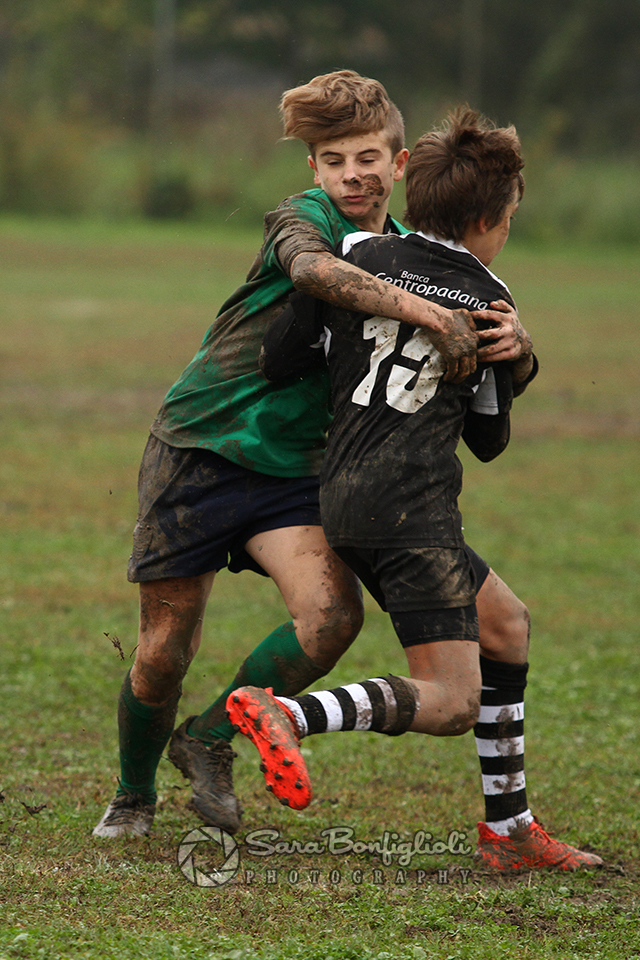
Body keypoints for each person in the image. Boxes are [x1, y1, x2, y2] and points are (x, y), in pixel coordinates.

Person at [92, 71, 488, 840]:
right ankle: (132, 795)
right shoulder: (300, 218)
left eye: (367, 158)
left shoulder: (403, 250)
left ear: (398, 165)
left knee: (333, 616)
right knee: (165, 650)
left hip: (296, 468)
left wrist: (516, 339)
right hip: (200, 448)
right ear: (314, 170)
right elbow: (314, 272)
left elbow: (476, 301)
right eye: (334, 160)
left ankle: (208, 741)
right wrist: (428, 314)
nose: (352, 175)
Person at [228, 108, 604, 872]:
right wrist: (516, 358)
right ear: (489, 220)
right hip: (413, 508)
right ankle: (288, 712)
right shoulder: (490, 300)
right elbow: (490, 442)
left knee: (506, 624)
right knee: (455, 702)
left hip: (343, 491)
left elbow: (282, 353)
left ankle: (510, 830)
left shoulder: (360, 251)